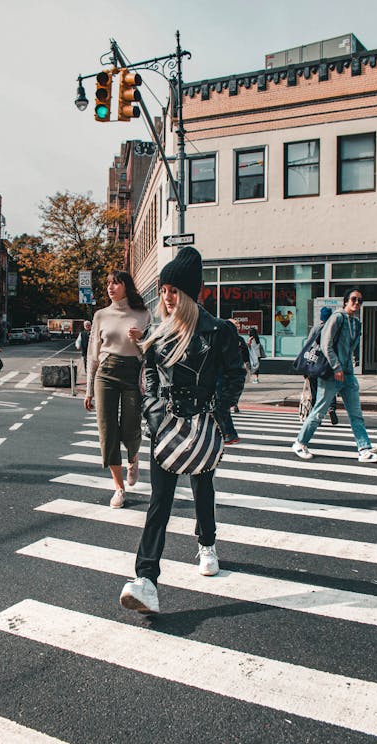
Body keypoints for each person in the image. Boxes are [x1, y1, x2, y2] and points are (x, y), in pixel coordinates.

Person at [119, 246, 245, 615]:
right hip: (168, 427)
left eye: (173, 290)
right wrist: (156, 416)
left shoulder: (219, 331)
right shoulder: (158, 333)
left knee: (203, 491)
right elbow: (150, 379)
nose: (166, 297)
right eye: (163, 290)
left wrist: (215, 411)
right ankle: (146, 580)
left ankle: (207, 543)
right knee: (160, 502)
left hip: (204, 426)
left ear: (191, 293)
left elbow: (235, 375)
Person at [292, 287, 377, 463]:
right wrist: (336, 367)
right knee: (319, 411)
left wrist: (350, 364)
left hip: (348, 374)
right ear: (346, 301)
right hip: (331, 374)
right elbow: (326, 343)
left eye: (359, 300)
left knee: (356, 414)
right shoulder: (337, 317)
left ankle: (364, 449)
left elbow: (351, 348)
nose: (357, 303)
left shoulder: (356, 323)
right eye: (353, 299)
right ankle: (299, 442)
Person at [84, 271, 150, 509]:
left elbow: (149, 353)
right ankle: (119, 488)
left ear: (126, 286)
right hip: (106, 373)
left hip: (132, 371)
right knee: (107, 430)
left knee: (130, 427)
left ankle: (133, 458)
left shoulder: (143, 313)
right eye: (108, 283)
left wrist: (141, 339)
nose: (110, 287)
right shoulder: (101, 315)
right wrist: (89, 389)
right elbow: (93, 355)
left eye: (116, 283)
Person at [305, 307, 338, 426]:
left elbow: (308, 345)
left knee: (315, 390)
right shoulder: (334, 329)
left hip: (315, 363)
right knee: (330, 388)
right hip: (329, 363)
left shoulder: (316, 328)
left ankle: (316, 416)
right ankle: (331, 408)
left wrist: (306, 365)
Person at [228, 318, 251, 413]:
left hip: (238, 367)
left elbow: (245, 353)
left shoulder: (239, 339)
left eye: (238, 326)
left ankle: (234, 403)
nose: (237, 328)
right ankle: (230, 403)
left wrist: (246, 363)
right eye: (235, 326)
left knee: (237, 386)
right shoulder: (224, 339)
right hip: (227, 367)